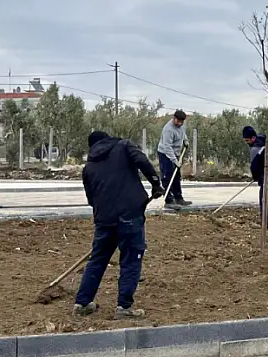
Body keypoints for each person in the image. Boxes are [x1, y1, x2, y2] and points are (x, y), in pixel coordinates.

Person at [74, 130, 164, 319]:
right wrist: (155, 183)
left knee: (97, 260)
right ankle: (124, 307)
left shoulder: (88, 167)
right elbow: (142, 160)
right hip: (130, 215)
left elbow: (91, 200)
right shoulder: (123, 146)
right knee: (131, 259)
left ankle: (82, 303)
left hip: (104, 221)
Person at [157, 109, 191, 209]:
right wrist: (175, 161)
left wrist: (185, 140)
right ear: (174, 118)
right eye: (178, 121)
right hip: (165, 154)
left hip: (175, 153)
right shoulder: (168, 129)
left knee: (176, 176)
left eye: (181, 121)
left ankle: (178, 198)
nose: (179, 123)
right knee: (167, 176)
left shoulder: (182, 125)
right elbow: (167, 147)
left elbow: (183, 132)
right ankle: (169, 200)